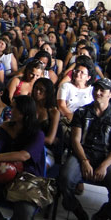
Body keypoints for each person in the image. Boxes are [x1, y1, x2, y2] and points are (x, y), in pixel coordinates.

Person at [0, 95, 46, 220]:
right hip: (3, 173)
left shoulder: (37, 134)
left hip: (25, 177)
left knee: (25, 212)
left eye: (14, 108)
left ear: (24, 112)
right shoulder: (6, 127)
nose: (11, 111)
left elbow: (23, 155)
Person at [58, 78, 111, 220]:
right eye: (96, 89)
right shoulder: (82, 111)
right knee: (65, 179)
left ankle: (101, 215)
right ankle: (77, 210)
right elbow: (75, 140)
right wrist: (84, 161)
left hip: (106, 158)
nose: (98, 92)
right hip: (82, 154)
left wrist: (104, 166)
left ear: (110, 94)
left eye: (102, 90)